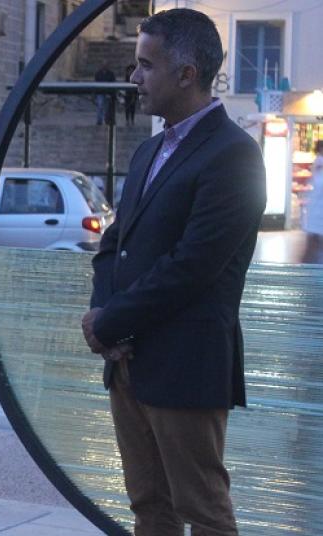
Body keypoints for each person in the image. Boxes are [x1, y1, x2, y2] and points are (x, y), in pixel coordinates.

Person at [82, 9, 266, 535]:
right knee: (149, 507)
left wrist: (111, 321)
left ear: (186, 74)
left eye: (146, 65)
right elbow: (114, 245)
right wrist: (103, 314)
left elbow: (193, 266)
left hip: (186, 364)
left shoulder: (234, 155)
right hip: (128, 362)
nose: (133, 77)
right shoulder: (149, 151)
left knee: (203, 510)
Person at [301, 140, 323, 263]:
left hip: (315, 212)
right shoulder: (319, 164)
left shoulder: (317, 164)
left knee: (312, 247)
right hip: (317, 213)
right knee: (313, 247)